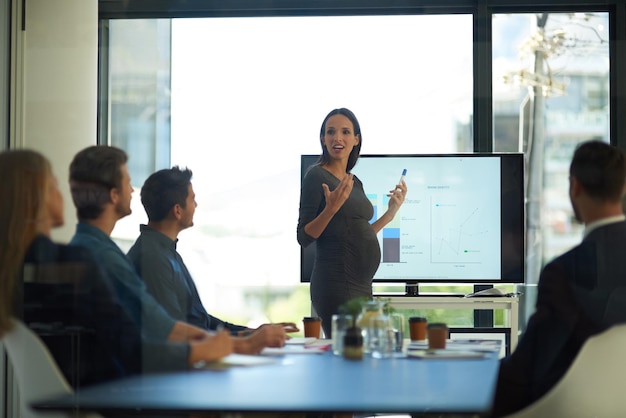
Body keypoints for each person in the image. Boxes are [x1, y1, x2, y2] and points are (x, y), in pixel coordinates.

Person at [0, 149, 232, 388]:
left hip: (84, 401)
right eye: (53, 186)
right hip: (118, 400)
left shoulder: (18, 273)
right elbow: (133, 351)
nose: (63, 194)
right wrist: (208, 349)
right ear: (36, 199)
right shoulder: (76, 262)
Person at [68, 145, 288, 354]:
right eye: (128, 183)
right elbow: (166, 329)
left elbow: (195, 319)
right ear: (177, 210)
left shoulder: (162, 252)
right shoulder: (144, 257)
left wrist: (248, 333)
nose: (131, 191)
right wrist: (242, 344)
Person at [492, 140, 626, 417]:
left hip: (565, 408)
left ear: (574, 187)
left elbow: (527, 372)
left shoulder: (566, 271)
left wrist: (468, 388)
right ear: (622, 188)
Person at [127, 166, 299, 340]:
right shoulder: (153, 258)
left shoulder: (166, 251)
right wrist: (245, 340)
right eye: (192, 199)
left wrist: (251, 332)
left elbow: (199, 319)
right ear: (177, 210)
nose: (196, 205)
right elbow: (174, 333)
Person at [296, 108, 407, 337]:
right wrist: (330, 209)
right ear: (323, 139)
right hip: (336, 282)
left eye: (345, 132)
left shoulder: (354, 181)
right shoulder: (315, 176)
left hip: (361, 284)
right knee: (349, 355)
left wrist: (390, 214)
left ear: (356, 139)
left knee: (361, 357)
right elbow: (304, 236)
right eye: (331, 132)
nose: (338, 138)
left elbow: (356, 232)